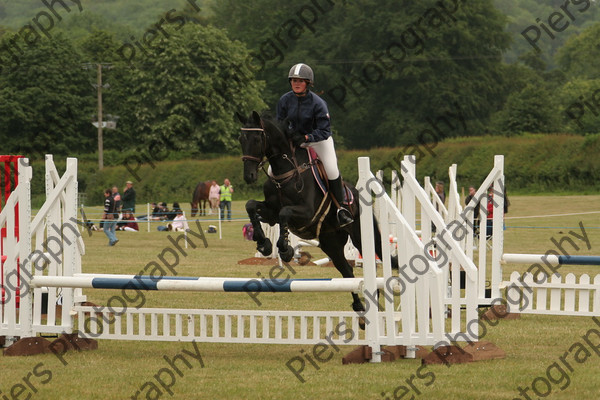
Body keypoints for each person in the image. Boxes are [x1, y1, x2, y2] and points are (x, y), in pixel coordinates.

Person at [276, 63, 353, 227]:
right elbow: (280, 123)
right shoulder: (284, 100)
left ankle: (341, 208)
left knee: (331, 170)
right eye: (294, 80)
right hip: (295, 143)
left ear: (308, 83)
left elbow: (324, 131)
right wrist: (288, 135)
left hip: (319, 141)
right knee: (271, 169)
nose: (296, 83)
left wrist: (306, 137)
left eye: (301, 80)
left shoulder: (318, 103)